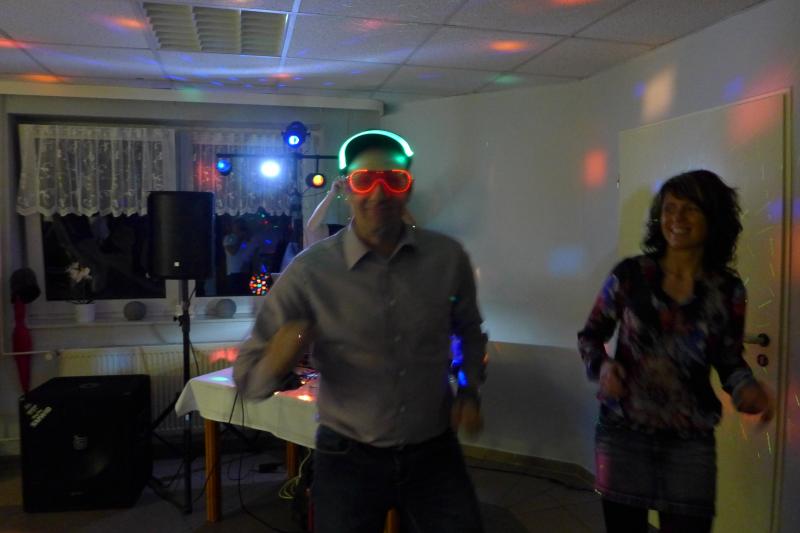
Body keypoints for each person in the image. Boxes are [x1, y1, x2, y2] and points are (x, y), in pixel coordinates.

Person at [234, 129, 486, 533]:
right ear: (347, 188)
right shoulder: (310, 271)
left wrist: (469, 389)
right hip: (347, 457)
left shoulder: (447, 258)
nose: (378, 193)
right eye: (364, 180)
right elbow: (248, 378)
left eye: (393, 179)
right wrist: (277, 362)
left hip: (434, 451)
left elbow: (469, 331)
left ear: (408, 187)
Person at [577, 169, 774, 533]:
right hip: (623, 433)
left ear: (713, 217)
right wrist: (603, 366)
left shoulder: (727, 290)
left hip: (690, 441)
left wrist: (746, 388)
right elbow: (590, 335)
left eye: (690, 209)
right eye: (669, 208)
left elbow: (728, 359)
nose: (676, 218)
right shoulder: (630, 275)